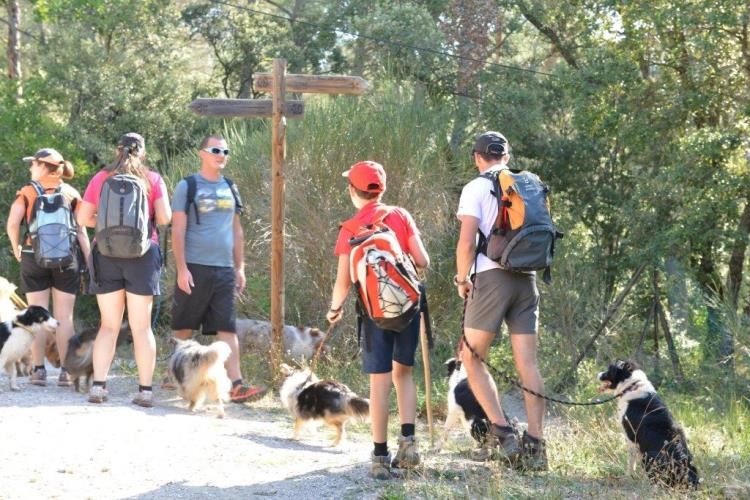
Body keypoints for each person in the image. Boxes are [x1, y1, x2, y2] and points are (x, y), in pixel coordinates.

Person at [326, 160, 430, 480]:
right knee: (405, 374)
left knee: (379, 383)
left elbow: (344, 281)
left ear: (352, 191)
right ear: (382, 188)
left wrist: (334, 309)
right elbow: (423, 260)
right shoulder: (400, 215)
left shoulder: (350, 228)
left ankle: (380, 457)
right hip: (408, 309)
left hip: (373, 313)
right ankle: (409, 444)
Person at [454, 131, 547, 470]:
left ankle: (504, 434)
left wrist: (462, 278)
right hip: (528, 278)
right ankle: (536, 446)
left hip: (491, 278)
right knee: (528, 365)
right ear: (506, 156)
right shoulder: (528, 184)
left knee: (471, 356)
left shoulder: (476, 187)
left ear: (477, 157)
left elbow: (466, 243)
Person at [169, 134, 266, 404]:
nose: (221, 154)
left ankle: (236, 384)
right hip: (195, 267)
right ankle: (175, 372)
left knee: (227, 327)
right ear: (202, 153)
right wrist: (182, 269)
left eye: (225, 150)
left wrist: (240, 267)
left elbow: (237, 231)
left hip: (224, 269)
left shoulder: (230, 187)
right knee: (184, 326)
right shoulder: (187, 186)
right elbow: (178, 229)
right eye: (215, 150)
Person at [77, 133, 171, 407]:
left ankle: (98, 387)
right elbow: (164, 217)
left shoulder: (100, 178)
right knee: (142, 328)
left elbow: (83, 218)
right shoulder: (152, 179)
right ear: (142, 152)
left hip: (106, 254)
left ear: (116, 150)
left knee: (108, 325)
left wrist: (108, 227)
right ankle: (145, 391)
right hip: (143, 254)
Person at [6, 148, 91, 387]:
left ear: (43, 166)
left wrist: (17, 248)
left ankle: (38, 370)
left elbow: (13, 223)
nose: (31, 168)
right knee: (65, 316)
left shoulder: (27, 192)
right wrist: (90, 263)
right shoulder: (71, 193)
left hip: (34, 255)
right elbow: (82, 232)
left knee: (37, 313)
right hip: (67, 258)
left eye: (33, 164)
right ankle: (66, 371)